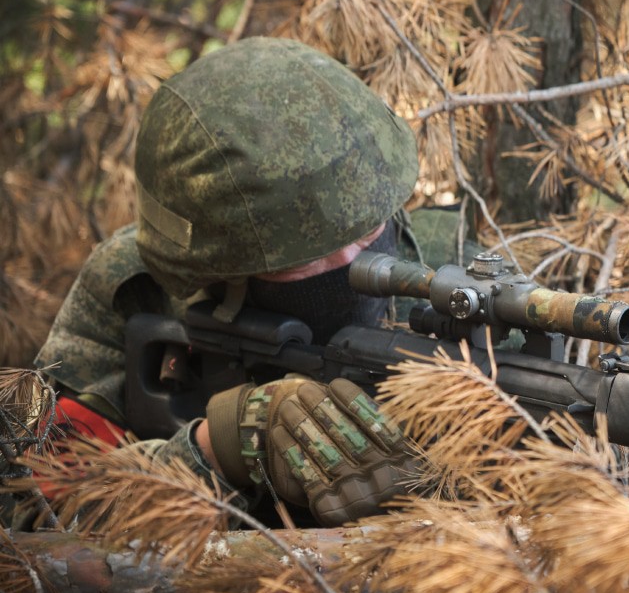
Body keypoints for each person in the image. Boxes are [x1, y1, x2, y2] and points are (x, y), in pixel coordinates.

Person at [29, 37, 466, 526]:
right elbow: (36, 512)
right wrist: (218, 447)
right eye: (302, 255)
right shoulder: (139, 289)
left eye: (366, 230)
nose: (350, 264)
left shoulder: (453, 279)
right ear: (218, 269)